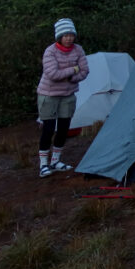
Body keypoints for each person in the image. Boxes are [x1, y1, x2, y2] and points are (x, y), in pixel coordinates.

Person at [36, 18, 88, 177]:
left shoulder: (78, 50)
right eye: (65, 35)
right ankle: (43, 164)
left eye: (71, 35)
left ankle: (56, 161)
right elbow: (53, 74)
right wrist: (73, 69)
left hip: (68, 94)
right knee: (49, 129)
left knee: (64, 128)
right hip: (49, 95)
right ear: (59, 37)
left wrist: (72, 77)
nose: (69, 38)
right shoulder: (50, 51)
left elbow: (84, 71)